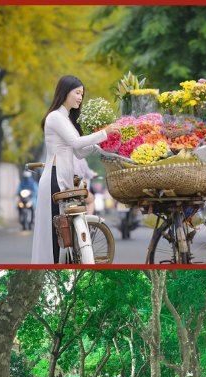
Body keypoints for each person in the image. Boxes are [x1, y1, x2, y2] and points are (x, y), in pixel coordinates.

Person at [31, 75, 121, 264]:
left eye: (82, 94)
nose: (80, 97)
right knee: (56, 232)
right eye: (77, 92)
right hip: (54, 178)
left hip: (64, 178)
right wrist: (104, 133)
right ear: (65, 92)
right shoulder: (55, 116)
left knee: (64, 230)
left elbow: (79, 152)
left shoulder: (67, 119)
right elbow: (75, 142)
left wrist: (101, 144)